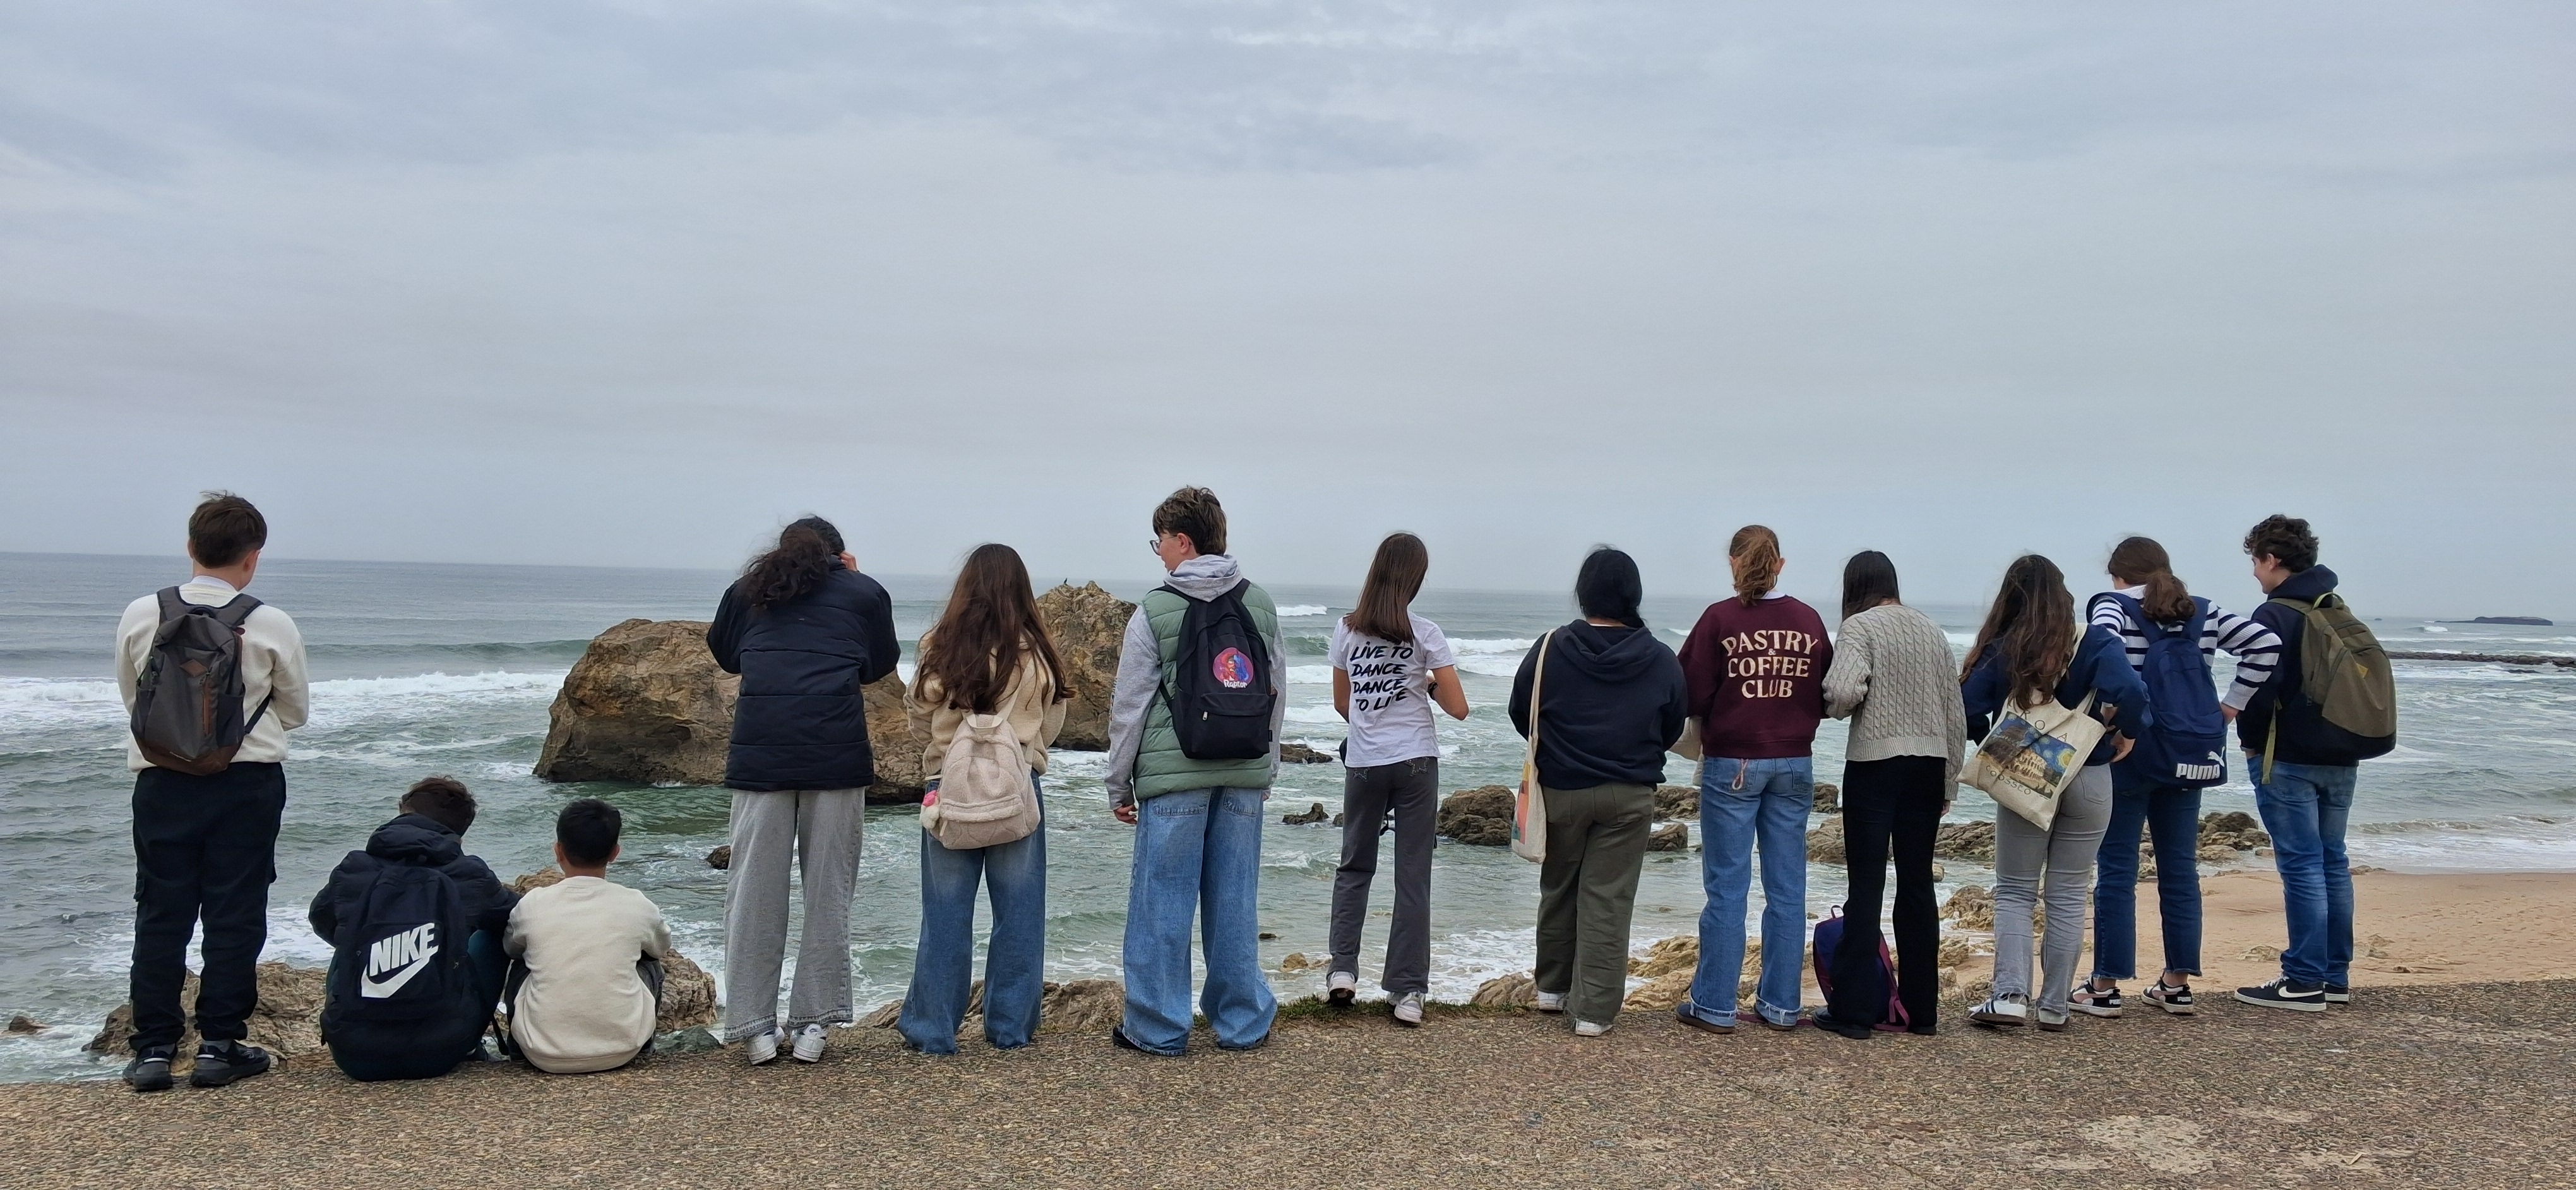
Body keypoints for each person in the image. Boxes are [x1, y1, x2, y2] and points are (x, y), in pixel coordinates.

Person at [114, 492, 311, 1092]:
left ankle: (152, 1050)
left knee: (161, 910)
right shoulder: (270, 622)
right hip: (245, 782)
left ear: (191, 547)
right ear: (253, 558)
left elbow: (133, 700)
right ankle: (220, 1046)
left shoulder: (141, 613)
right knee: (235, 910)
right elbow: (296, 712)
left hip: (161, 779)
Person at [707, 516, 901, 1065]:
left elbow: (725, 653)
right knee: (828, 892)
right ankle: (813, 1025)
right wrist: (855, 581)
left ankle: (753, 1028)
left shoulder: (747, 590)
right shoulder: (864, 591)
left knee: (753, 893)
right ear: (840, 555)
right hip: (834, 753)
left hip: (759, 752)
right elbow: (878, 664)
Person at [1104, 487, 1289, 1056]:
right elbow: (1276, 692)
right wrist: (1268, 766)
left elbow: (1131, 705)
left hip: (1175, 776)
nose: (1158, 552)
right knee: (1235, 899)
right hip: (1243, 775)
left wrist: (1118, 782)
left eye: (1160, 540)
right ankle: (1241, 1023)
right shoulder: (1259, 602)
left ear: (1183, 540)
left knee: (1163, 900)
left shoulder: (1156, 607)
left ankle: (1158, 1028)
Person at [2075, 536, 2282, 1019]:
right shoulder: (2202, 611)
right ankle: (2177, 983)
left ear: (2119, 575)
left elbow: (2099, 655)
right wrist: (2230, 705)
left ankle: (2104, 986)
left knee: (2118, 869)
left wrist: (2116, 721)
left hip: (2131, 751)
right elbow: (2265, 643)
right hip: (2190, 750)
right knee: (2180, 870)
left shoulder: (2114, 606)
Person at [1960, 555, 2151, 1032]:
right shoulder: (2096, 640)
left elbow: (1965, 703)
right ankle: (2055, 1005)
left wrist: (1990, 735)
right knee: (2067, 893)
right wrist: (2125, 733)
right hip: (2090, 775)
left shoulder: (2008, 646)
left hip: (2029, 774)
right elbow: (2132, 691)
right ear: (2063, 595)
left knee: (2016, 892)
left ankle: (2008, 996)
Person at [1508, 548, 1690, 1038]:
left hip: (1562, 789)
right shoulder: (1660, 658)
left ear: (1584, 594)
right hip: (1629, 795)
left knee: (1559, 886)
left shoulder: (1551, 646)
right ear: (1633, 596)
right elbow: (1673, 725)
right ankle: (1593, 1013)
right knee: (1607, 900)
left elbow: (1520, 710)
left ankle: (1552, 991)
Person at [899, 544, 1069, 1054]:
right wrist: (1027, 752)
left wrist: (943, 753)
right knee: (1019, 912)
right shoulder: (1037, 653)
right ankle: (1010, 1028)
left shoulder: (940, 646)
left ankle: (934, 1030)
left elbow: (917, 717)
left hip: (948, 789)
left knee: (945, 912)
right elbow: (1052, 723)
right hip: (1017, 790)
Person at [1673, 527, 1832, 1036]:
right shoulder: (1808, 620)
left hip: (1734, 763)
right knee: (1787, 888)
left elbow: (1691, 693)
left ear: (1734, 563)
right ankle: (1782, 1005)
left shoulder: (1720, 619)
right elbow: (1826, 691)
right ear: (1780, 564)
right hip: (1793, 761)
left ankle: (1716, 1004)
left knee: (1728, 886)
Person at [2233, 515, 2394, 1011]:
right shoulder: (2334, 608)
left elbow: (2261, 687)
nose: (2255, 574)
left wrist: (2250, 743)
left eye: (2256, 563)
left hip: (2290, 760)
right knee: (2332, 862)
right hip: (2343, 756)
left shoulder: (2275, 615)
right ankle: (2333, 977)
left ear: (2273, 560)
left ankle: (2301, 980)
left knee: (2302, 865)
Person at [1815, 551, 1965, 1038]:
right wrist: (1949, 781)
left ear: (1854, 586)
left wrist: (1825, 705)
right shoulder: (1931, 630)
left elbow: (1841, 693)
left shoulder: (1860, 627)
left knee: (1867, 885)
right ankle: (1923, 1013)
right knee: (1918, 885)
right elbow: (1955, 714)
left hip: (1875, 765)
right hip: (1929, 764)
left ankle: (1855, 1012)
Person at [1325, 532, 1468, 1028]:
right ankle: (1406, 991)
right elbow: (1460, 708)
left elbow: (1343, 704)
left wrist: (1372, 717)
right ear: (1416, 579)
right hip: (1415, 764)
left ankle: (1342, 971)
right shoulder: (1425, 633)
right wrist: (1425, 684)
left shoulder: (1346, 630)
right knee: (1413, 877)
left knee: (1354, 866)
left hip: (1364, 762)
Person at [308, 777, 518, 1081]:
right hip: (442, 1052)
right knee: (494, 934)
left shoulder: (354, 866)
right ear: (459, 832)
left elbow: (321, 921)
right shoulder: (469, 873)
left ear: (403, 811)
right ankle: (473, 1043)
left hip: (355, 1055)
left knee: (352, 935)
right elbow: (520, 919)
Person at [503, 799, 672, 1074]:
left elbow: (510, 947)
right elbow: (662, 948)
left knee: (522, 961)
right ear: (615, 853)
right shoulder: (637, 904)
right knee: (649, 962)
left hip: (542, 1053)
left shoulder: (532, 903)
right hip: (621, 1050)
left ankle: (515, 1049)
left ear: (558, 851)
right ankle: (645, 1045)